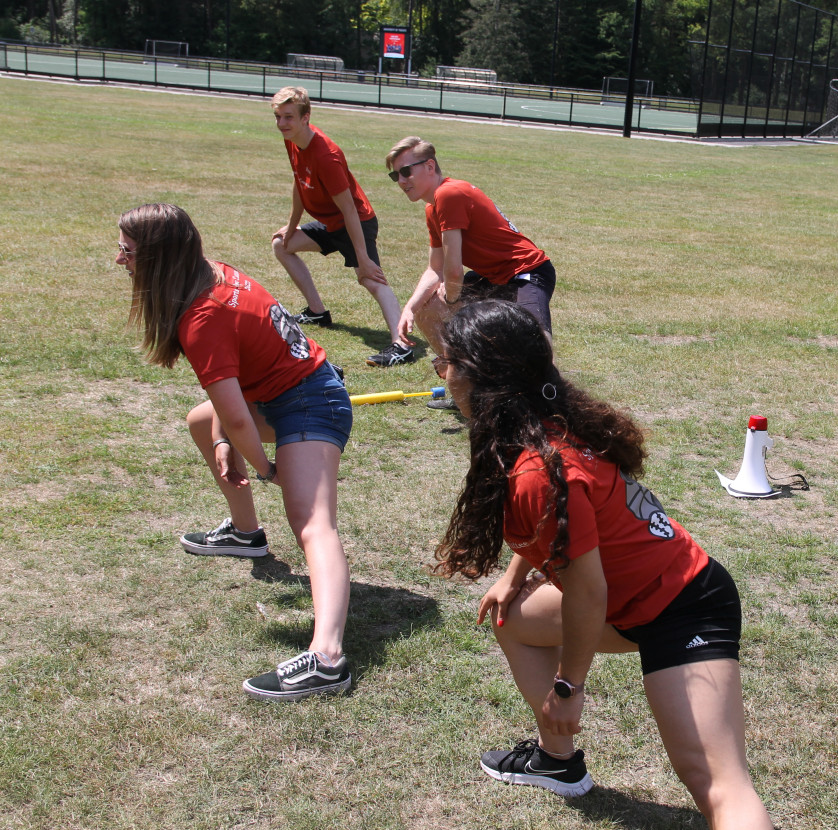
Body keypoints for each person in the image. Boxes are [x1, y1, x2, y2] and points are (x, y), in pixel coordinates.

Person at [433, 300, 773, 829]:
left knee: (715, 780)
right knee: (511, 618)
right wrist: (511, 578)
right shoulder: (543, 425)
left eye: (446, 362)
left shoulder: (539, 468)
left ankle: (560, 736)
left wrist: (568, 689)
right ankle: (558, 763)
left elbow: (587, 592)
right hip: (629, 599)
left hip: (687, 606)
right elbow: (565, 535)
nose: (442, 374)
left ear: (483, 378)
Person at [117, 203, 354, 702]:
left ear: (159, 259)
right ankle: (247, 536)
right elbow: (232, 401)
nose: (120, 260)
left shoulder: (202, 317)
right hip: (286, 393)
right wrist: (225, 439)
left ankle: (329, 660)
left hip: (313, 402)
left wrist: (267, 467)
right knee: (203, 422)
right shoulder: (208, 275)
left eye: (128, 251)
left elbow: (243, 417)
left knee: (312, 522)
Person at [386, 136, 556, 409]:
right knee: (427, 310)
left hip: (527, 272)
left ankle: (550, 405)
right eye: (395, 175)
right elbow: (435, 269)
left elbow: (453, 272)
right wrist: (410, 309)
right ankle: (468, 391)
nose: (402, 180)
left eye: (407, 171)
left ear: (430, 166)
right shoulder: (432, 207)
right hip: (493, 276)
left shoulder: (448, 193)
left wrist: (454, 305)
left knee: (536, 340)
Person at [270, 86, 413, 368]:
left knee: (371, 278)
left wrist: (361, 257)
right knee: (281, 245)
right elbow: (300, 183)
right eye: (278, 117)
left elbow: (349, 209)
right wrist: (291, 226)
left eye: (288, 117)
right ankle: (317, 312)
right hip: (329, 223)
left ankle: (402, 345)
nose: (282, 124)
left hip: (355, 223)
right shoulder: (293, 141)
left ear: (305, 117)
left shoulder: (326, 155)